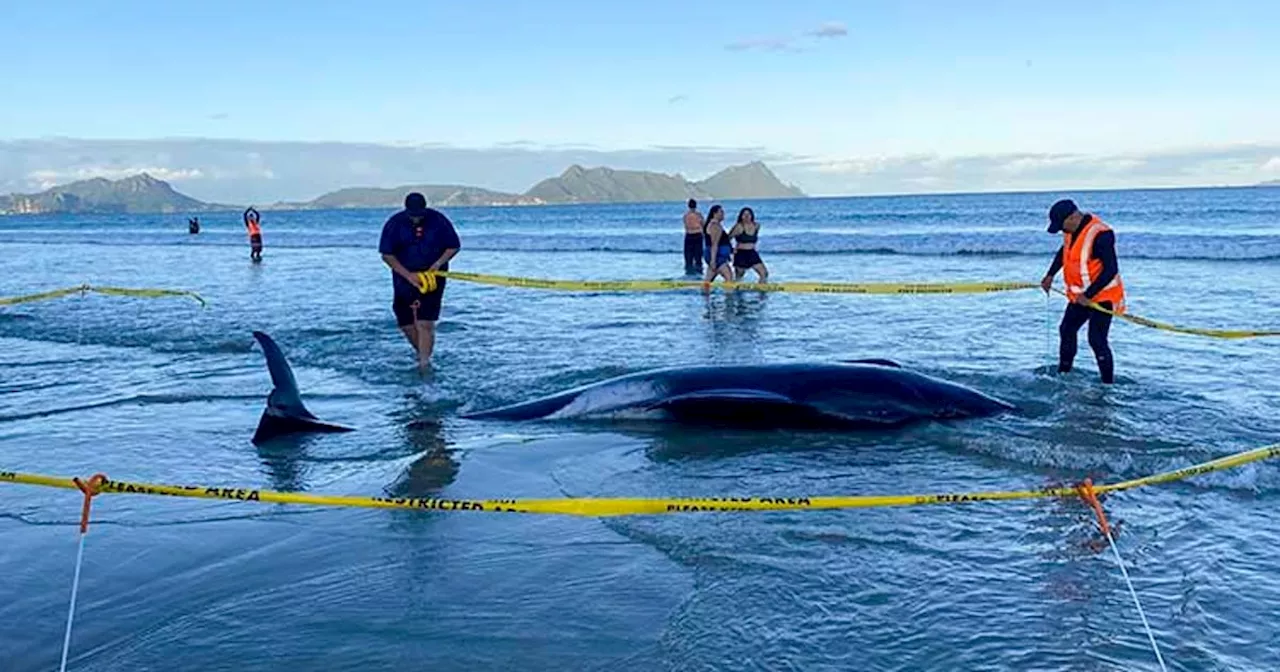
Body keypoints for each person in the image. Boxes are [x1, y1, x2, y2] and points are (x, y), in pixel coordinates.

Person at [1040, 198, 1125, 384]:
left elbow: (1111, 269)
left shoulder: (1101, 234)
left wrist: (1089, 295)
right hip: (1080, 296)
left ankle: (1107, 384)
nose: (1062, 231)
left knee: (1096, 339)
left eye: (1061, 226)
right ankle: (1064, 374)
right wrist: (1050, 275)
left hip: (1103, 296)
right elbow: (1064, 251)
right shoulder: (1071, 231)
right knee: (1066, 329)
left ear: (1072, 217)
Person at [379, 192, 461, 369]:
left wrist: (438, 264)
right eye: (413, 216)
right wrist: (409, 276)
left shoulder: (438, 220)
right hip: (403, 277)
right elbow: (387, 255)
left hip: (432, 276)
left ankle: (424, 363)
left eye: (419, 216)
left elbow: (453, 246)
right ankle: (421, 352)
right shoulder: (395, 223)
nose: (416, 220)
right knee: (405, 322)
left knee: (425, 322)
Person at [727, 206, 768, 283]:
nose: (746, 217)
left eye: (748, 214)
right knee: (739, 276)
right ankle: (736, 292)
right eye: (744, 215)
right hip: (741, 254)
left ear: (752, 216)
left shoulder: (756, 226)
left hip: (752, 253)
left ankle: (762, 291)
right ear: (741, 216)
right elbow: (727, 239)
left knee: (764, 273)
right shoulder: (738, 227)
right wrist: (731, 249)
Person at [702, 204, 734, 289]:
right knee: (729, 277)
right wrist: (713, 260)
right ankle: (728, 299)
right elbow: (714, 244)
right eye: (721, 212)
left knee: (708, 280)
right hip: (716, 256)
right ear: (715, 213)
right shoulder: (715, 226)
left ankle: (705, 298)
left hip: (717, 255)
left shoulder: (714, 224)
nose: (723, 214)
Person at [682, 199, 704, 275]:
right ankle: (699, 272)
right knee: (698, 256)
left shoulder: (686, 215)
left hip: (689, 235)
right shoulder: (698, 215)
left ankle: (689, 273)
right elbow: (703, 225)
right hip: (697, 235)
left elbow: (685, 225)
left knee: (688, 256)